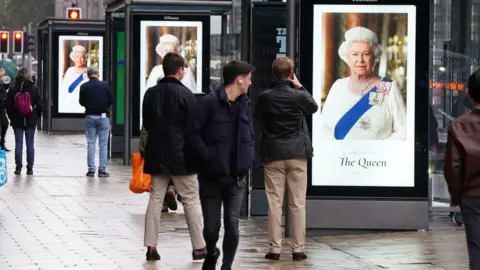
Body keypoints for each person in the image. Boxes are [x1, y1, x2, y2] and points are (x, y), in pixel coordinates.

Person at [185, 60, 255, 270]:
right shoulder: (208, 103)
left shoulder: (245, 104)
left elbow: (249, 134)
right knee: (212, 228)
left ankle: (226, 265)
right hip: (212, 178)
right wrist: (208, 158)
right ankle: (211, 252)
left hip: (236, 177)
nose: (250, 83)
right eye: (249, 79)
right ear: (239, 80)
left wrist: (247, 158)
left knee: (233, 226)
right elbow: (192, 134)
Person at [142, 52, 206, 261]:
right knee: (191, 200)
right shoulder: (187, 95)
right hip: (182, 156)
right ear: (181, 70)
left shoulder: (150, 94)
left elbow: (148, 125)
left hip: (157, 154)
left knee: (155, 199)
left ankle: (151, 247)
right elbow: (194, 127)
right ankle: (199, 247)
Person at [253, 57, 318, 261]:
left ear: (274, 74)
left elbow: (258, 121)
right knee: (297, 203)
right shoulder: (298, 96)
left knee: (274, 203)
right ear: (291, 74)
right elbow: (313, 107)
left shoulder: (265, 97)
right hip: (297, 154)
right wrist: (300, 86)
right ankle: (298, 249)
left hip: (273, 154)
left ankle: (275, 249)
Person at [321, 26, 407, 140]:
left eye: (366, 54)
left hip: (378, 157)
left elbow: (404, 131)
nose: (360, 60)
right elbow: (324, 128)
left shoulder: (388, 87)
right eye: (355, 54)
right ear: (348, 58)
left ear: (374, 57)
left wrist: (377, 151)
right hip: (343, 156)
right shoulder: (338, 87)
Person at [444, 69, 480, 270]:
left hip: (474, 197)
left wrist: (458, 197)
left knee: (477, 248)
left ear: (468, 94)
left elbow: (453, 168)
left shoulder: (460, 126)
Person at [5, 67, 43, 175]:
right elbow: (39, 104)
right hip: (31, 120)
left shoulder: (13, 88)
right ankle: (30, 168)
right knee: (30, 144)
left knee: (18, 144)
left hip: (17, 120)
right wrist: (36, 116)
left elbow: (8, 105)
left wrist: (11, 117)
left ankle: (18, 167)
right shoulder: (34, 88)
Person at [79, 66, 113, 177]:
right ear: (98, 74)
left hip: (90, 117)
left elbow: (81, 102)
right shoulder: (105, 85)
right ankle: (102, 170)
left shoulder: (84, 86)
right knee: (103, 144)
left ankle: (91, 170)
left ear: (88, 75)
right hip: (103, 117)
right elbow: (111, 100)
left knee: (91, 143)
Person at [139, 124, 178, 213]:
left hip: (155, 151)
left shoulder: (152, 110)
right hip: (175, 150)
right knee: (175, 174)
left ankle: (163, 203)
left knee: (159, 179)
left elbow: (145, 132)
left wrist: (144, 151)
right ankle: (172, 189)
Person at [60, 45, 89, 112]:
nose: (79, 59)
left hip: (86, 104)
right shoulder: (70, 70)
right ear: (73, 58)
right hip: (71, 104)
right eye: (77, 57)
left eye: (81, 57)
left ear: (85, 58)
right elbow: (64, 88)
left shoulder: (90, 71)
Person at [0, 82, 9, 151]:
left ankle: (2, 143)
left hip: (1, 110)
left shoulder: (2, 86)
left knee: (5, 125)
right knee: (4, 125)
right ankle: (2, 143)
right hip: (1, 110)